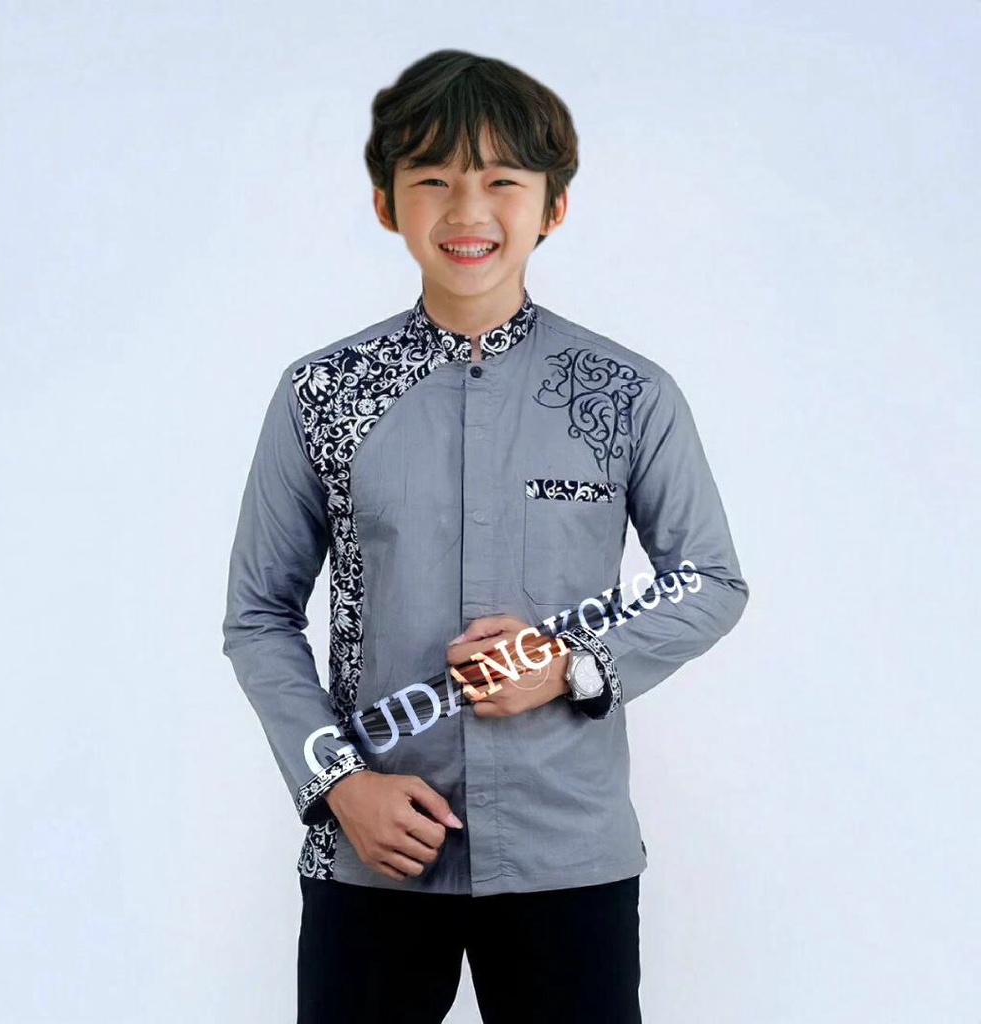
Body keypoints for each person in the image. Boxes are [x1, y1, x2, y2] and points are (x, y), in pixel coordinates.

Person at [221, 48, 749, 1024]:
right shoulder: (322, 393)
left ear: (553, 206)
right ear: (386, 203)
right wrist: (339, 783)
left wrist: (568, 666)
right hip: (373, 854)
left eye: (502, 180)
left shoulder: (628, 395)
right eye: (433, 179)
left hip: (568, 857)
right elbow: (258, 616)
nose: (468, 211)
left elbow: (709, 579)